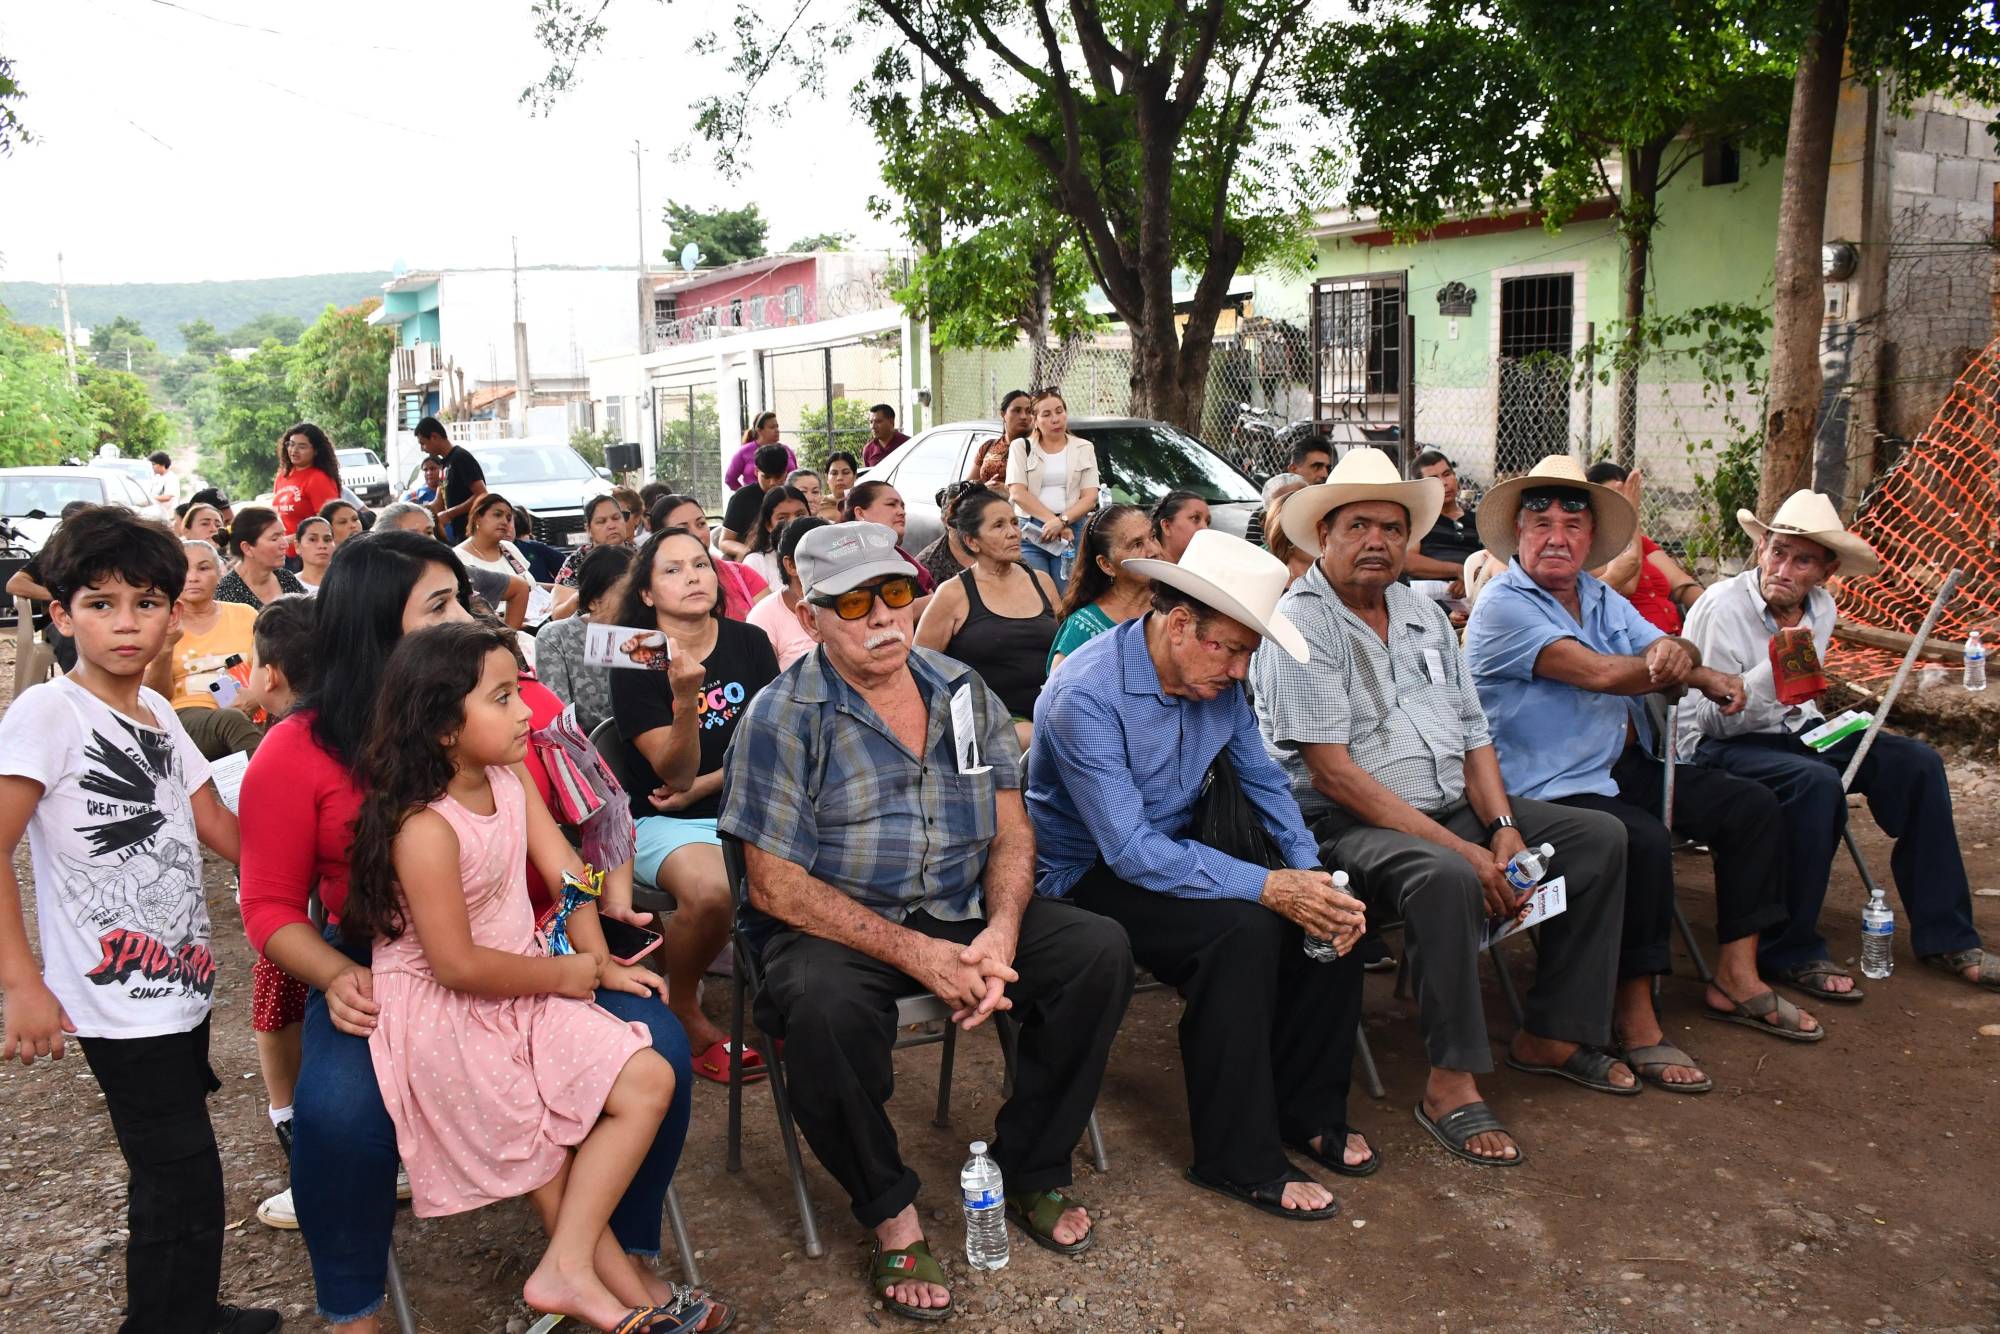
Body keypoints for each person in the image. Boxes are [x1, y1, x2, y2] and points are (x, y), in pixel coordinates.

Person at [236, 529, 716, 1332]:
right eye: (441, 605)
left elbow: (569, 858)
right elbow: (269, 908)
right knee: (340, 1116)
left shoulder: (499, 725)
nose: (468, 615)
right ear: (375, 628)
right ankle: (354, 1306)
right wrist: (330, 973)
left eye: (461, 596)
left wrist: (595, 946)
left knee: (656, 1047)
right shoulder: (298, 751)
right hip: (383, 972)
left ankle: (615, 1254)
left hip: (534, 949)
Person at [718, 521, 1132, 1320]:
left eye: (898, 593)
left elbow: (1011, 829)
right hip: (836, 923)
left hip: (959, 906)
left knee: (1096, 951)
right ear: (808, 617)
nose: (882, 617)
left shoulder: (961, 691)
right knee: (823, 1011)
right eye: (852, 602)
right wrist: (919, 956)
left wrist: (1002, 929)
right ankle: (889, 1211)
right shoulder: (783, 716)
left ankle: (1033, 1166)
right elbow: (773, 888)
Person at [1250, 449, 1637, 1164]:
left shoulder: (1420, 611)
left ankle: (1552, 1031)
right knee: (1447, 877)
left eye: (1393, 529)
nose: (1377, 541)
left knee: (1601, 839)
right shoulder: (1299, 625)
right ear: (1323, 535)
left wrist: (1504, 829)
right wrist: (1465, 850)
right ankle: (1449, 1082)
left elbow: (1473, 734)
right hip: (1341, 827)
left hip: (1446, 805)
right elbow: (1333, 776)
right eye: (1359, 525)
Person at [341, 622, 706, 1334]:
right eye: (503, 697)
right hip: (447, 1009)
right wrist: (563, 972)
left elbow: (568, 874)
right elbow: (455, 966)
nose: (526, 713)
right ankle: (605, 1286)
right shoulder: (425, 827)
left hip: (527, 979)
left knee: (648, 1078)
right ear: (443, 726)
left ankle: (566, 1265)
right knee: (530, 1124)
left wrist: (597, 960)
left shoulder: (507, 780)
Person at [1029, 529, 1371, 1218]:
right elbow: (1126, 849)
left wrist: (1312, 878)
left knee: (1330, 916)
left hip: (1172, 849)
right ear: (1181, 624)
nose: (1241, 671)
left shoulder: (1216, 682)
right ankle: (1236, 1158)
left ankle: (1308, 1111)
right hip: (1083, 871)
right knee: (1241, 932)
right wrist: (1271, 887)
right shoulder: (1085, 694)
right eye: (1236, 651)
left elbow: (1266, 783)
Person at [0, 505, 280, 1334]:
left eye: (147, 602)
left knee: (173, 1172)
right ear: (62, 614)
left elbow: (224, 832)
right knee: (182, 1172)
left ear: (169, 613)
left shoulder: (158, 717)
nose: (126, 623)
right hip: (111, 993)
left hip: (178, 984)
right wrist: (23, 984)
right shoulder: (48, 714)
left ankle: (185, 1310)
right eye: (100, 603)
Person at [1465, 456, 1813, 1092]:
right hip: (1532, 788)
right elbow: (1600, 671)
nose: (1556, 537)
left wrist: (1683, 657)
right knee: (1643, 837)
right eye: (1540, 523)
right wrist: (1695, 672)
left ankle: (1737, 975)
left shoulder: (1597, 594)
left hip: (1607, 769)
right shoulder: (1502, 606)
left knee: (1752, 806)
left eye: (1573, 524)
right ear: (1518, 534)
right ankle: (1636, 1016)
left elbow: (1668, 644)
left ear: (1590, 539)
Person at [1679, 491, 1996, 999]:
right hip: (1721, 744)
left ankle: (1948, 936)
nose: (1783, 568)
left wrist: (1801, 679)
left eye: (1802, 559)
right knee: (1817, 783)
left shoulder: (1819, 607)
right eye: (1777, 551)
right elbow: (1713, 724)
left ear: (1825, 571)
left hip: (1797, 731)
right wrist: (1776, 663)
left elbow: (1802, 703)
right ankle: (1788, 949)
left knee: (1916, 763)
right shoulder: (1722, 607)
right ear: (1761, 548)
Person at [610, 526, 781, 1081]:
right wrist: (686, 698)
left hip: (746, 805)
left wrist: (709, 783)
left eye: (700, 565)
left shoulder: (749, 642)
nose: (692, 577)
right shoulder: (635, 652)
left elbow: (771, 741)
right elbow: (671, 774)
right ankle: (682, 1005)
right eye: (672, 570)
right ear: (647, 593)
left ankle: (796, 996)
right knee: (712, 893)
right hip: (663, 818)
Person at [236, 596, 318, 1232]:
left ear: (273, 674)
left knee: (276, 1016)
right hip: (331, 917)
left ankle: (304, 1155)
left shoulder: (281, 743)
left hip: (300, 922)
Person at [915, 487, 1062, 749]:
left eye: (1015, 523)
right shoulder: (953, 594)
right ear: (972, 541)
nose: (1013, 532)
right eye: (998, 525)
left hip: (1052, 708)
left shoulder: (1041, 582)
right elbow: (919, 668)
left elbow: (1066, 648)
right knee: (1047, 738)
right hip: (993, 720)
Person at [144, 539, 264, 760]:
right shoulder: (160, 623)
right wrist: (165, 648)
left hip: (253, 709)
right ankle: (267, 789)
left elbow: (271, 666)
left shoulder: (245, 614)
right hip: (187, 716)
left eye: (204, 568)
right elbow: (153, 697)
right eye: (183, 569)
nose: (192, 577)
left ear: (220, 573)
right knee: (232, 719)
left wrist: (257, 695)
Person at [1583, 462, 1705, 635]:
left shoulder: (1642, 542)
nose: (1619, 506)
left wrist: (1714, 604)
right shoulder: (1588, 549)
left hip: (1678, 636)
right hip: (1639, 645)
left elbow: (1680, 583)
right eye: (1613, 499)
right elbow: (1628, 585)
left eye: (1625, 497)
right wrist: (1631, 513)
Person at [535, 544, 635, 733]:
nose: (640, 599)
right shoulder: (556, 637)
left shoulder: (650, 633)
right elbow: (559, 723)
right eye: (628, 593)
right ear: (593, 601)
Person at [1046, 504, 1158, 671]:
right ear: (1106, 565)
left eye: (1153, 537)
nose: (1153, 550)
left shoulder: (1174, 607)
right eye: (1136, 544)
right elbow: (1057, 693)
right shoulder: (1083, 628)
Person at [1005, 389, 1099, 583]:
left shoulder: (1084, 447)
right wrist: (1053, 522)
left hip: (1071, 530)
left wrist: (1063, 521)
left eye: (1059, 411)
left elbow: (1090, 498)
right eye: (1046, 415)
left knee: (1067, 595)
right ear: (1035, 419)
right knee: (1037, 593)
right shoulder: (1021, 447)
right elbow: (1017, 493)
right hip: (1031, 530)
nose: (1055, 419)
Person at [651, 493, 768, 620]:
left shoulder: (742, 574)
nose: (697, 534)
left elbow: (773, 623)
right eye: (683, 528)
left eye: (701, 524)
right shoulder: (654, 583)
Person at [744, 514, 826, 671]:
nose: (833, 563)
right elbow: (765, 686)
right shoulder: (763, 617)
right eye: (821, 556)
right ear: (791, 565)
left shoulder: (850, 600)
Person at [454, 493, 543, 627]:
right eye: (497, 515)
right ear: (478, 518)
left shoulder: (508, 548)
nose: (504, 522)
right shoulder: (459, 557)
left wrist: (560, 590)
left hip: (538, 622)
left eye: (508, 518)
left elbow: (531, 584)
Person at [845, 480, 938, 603]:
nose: (902, 512)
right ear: (860, 513)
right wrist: (941, 600)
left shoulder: (899, 557)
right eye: (891, 504)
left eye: (902, 506)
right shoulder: (850, 561)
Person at [550, 495, 637, 617]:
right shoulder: (577, 561)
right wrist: (586, 592)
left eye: (616, 518)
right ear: (588, 529)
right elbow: (558, 615)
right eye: (601, 521)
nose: (611, 525)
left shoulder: (641, 556)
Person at [1406, 449, 1484, 583]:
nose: (1444, 483)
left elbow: (1492, 560)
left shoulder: (1479, 520)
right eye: (1434, 479)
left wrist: (1469, 581)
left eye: (1447, 474)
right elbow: (1408, 561)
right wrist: (1458, 570)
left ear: (1455, 476)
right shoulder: (1419, 519)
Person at [217, 507, 307, 610]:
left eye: (283, 535)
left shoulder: (286, 578)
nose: (285, 544)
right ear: (247, 548)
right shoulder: (225, 595)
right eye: (274, 538)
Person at [417, 416, 487, 544]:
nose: (422, 448)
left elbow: (482, 494)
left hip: (473, 534)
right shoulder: (444, 464)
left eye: (423, 443)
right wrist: (413, 510)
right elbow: (438, 503)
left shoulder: (460, 458)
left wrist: (449, 514)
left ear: (434, 437)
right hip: (459, 535)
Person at [718, 444, 793, 560]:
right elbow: (725, 541)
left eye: (778, 477)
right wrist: (747, 551)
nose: (772, 482)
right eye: (766, 477)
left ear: (786, 472)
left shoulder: (793, 496)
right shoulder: (742, 498)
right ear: (756, 471)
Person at [273, 423, 345, 539]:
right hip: (283, 552)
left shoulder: (319, 479)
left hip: (309, 552)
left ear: (316, 451)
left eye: (302, 447)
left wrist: (292, 539)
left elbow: (328, 523)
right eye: (291, 444)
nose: (294, 450)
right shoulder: (282, 475)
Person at [740, 485, 809, 588]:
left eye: (800, 515)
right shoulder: (756, 563)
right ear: (768, 525)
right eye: (782, 518)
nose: (793, 522)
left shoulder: (824, 553)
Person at [966, 390, 1032, 485]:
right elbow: (968, 485)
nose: (1024, 416)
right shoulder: (988, 447)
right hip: (985, 499)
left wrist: (1007, 491)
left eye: (1028, 411)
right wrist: (986, 488)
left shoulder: (1036, 447)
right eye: (1017, 411)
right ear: (1003, 414)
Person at [724, 414, 797, 491]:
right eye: (772, 427)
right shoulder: (744, 452)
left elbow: (796, 477)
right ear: (759, 430)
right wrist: (745, 495)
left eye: (777, 427)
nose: (777, 430)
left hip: (783, 499)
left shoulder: (787, 450)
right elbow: (730, 479)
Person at [1150, 489, 1210, 564]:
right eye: (1195, 518)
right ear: (1167, 526)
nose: (1205, 528)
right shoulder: (1144, 573)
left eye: (1208, 522)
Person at [294, 516, 336, 594]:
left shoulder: (348, 581)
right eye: (312, 539)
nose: (322, 545)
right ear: (297, 546)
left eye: (327, 540)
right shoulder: (289, 586)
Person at [861, 402, 909, 468]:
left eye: (878, 421)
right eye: (871, 422)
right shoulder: (868, 449)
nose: (873, 426)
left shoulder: (907, 444)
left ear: (891, 422)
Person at [149, 449, 183, 522]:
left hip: (168, 518)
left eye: (154, 464)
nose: (152, 467)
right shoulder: (157, 478)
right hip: (156, 515)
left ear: (162, 464)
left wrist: (150, 499)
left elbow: (167, 497)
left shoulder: (171, 478)